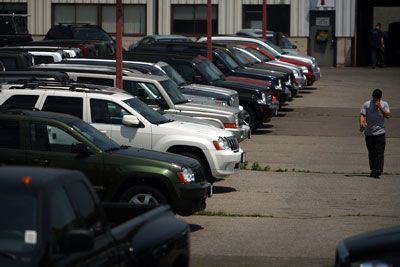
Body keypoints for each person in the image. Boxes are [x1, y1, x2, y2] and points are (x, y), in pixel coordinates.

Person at [359, 89, 390, 178]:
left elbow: (388, 115)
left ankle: (379, 170)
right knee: (371, 152)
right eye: (375, 98)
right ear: (372, 96)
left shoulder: (384, 104)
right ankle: (373, 169)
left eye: (378, 98)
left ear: (380, 98)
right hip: (369, 133)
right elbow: (362, 115)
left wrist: (380, 107)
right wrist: (361, 122)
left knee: (379, 152)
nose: (376, 100)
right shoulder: (367, 104)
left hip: (380, 133)